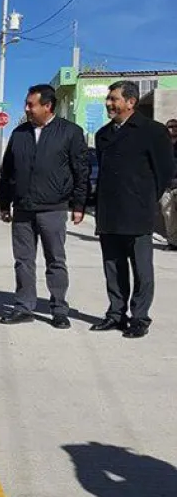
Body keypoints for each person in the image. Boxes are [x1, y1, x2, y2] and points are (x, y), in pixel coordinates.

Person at [0, 84, 89, 329]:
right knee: (23, 261)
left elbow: (81, 170)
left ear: (47, 106)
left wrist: (79, 204)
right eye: (27, 104)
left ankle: (59, 309)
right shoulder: (19, 134)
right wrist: (4, 203)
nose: (26, 108)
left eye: (31, 104)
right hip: (23, 209)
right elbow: (7, 171)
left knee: (55, 260)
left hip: (53, 208)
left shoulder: (70, 132)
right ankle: (23, 307)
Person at [91, 81, 175, 338]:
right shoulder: (103, 134)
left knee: (141, 268)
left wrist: (146, 199)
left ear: (131, 102)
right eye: (108, 99)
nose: (109, 103)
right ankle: (116, 313)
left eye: (114, 99)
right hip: (109, 212)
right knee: (113, 267)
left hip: (137, 211)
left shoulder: (153, 131)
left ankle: (139, 317)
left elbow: (164, 172)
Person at [158, 119, 177, 249]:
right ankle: (173, 242)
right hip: (166, 186)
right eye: (169, 127)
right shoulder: (163, 145)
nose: (172, 129)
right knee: (168, 215)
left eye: (175, 127)